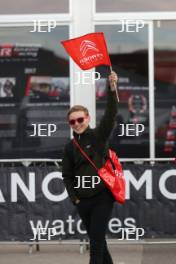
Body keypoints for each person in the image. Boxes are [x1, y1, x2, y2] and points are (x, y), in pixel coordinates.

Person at [62, 71, 118, 264]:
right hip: (83, 201)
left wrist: (112, 89)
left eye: (80, 120)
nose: (77, 124)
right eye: (72, 122)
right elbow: (67, 175)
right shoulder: (69, 147)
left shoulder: (98, 136)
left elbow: (110, 116)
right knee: (99, 242)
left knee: (94, 247)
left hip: (102, 198)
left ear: (87, 118)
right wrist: (75, 198)